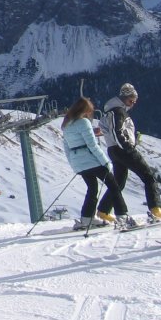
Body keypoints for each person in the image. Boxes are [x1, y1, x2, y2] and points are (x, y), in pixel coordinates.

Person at [95, 84, 161, 224]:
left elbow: (108, 130)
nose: (133, 103)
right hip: (123, 150)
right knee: (148, 176)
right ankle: (156, 209)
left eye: (135, 101)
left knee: (119, 182)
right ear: (124, 98)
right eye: (131, 100)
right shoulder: (118, 111)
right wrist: (127, 146)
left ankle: (103, 211)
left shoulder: (111, 111)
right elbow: (117, 131)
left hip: (113, 150)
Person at [60, 98, 137, 231]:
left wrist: (75, 165)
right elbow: (92, 145)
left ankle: (86, 219)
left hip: (79, 163)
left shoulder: (67, 126)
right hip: (92, 160)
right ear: (85, 111)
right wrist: (105, 162)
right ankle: (123, 218)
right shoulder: (83, 122)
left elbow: (67, 148)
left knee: (92, 189)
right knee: (114, 187)